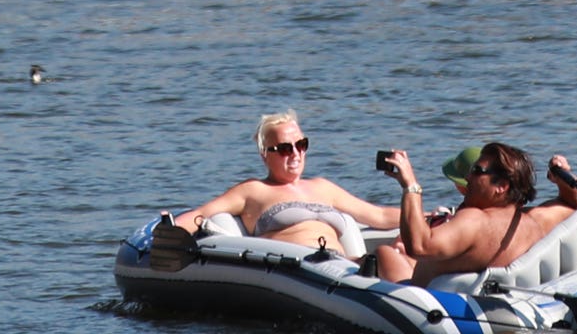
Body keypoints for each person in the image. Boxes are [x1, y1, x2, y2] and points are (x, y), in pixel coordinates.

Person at [160, 109, 399, 260]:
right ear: (265, 154)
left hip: (343, 267)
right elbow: (202, 214)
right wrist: (164, 235)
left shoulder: (323, 187)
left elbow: (377, 215)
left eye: (301, 145)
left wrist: (424, 216)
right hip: (298, 269)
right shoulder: (253, 190)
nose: (295, 153)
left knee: (389, 255)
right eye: (285, 148)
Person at [372, 142, 577, 282]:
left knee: (383, 253)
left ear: (501, 186)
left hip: (419, 302)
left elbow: (419, 245)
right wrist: (564, 178)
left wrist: (410, 185)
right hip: (473, 298)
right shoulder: (534, 220)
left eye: (476, 171)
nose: (468, 177)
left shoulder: (476, 221)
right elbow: (574, 204)